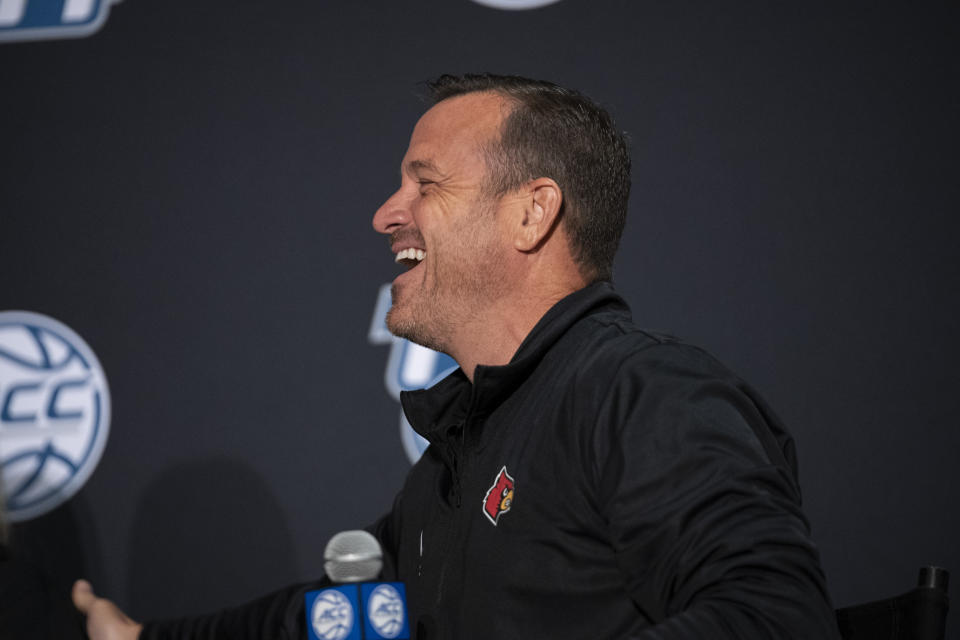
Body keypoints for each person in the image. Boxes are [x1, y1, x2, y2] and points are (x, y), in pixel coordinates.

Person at [73, 74, 841, 639]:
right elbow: (330, 615)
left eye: (425, 183)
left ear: (532, 213)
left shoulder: (642, 393)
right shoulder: (449, 466)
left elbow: (775, 618)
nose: (384, 214)